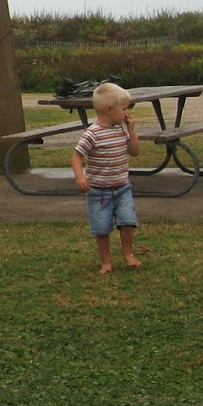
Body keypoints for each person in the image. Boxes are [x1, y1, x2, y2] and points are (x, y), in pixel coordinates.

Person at [72, 81, 142, 274]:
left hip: (122, 188)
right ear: (109, 109)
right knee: (101, 228)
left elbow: (135, 152)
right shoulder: (92, 134)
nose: (126, 113)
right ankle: (106, 262)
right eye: (124, 109)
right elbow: (77, 155)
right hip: (99, 192)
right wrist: (80, 176)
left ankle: (128, 253)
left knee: (128, 221)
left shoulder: (121, 129)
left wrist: (132, 131)